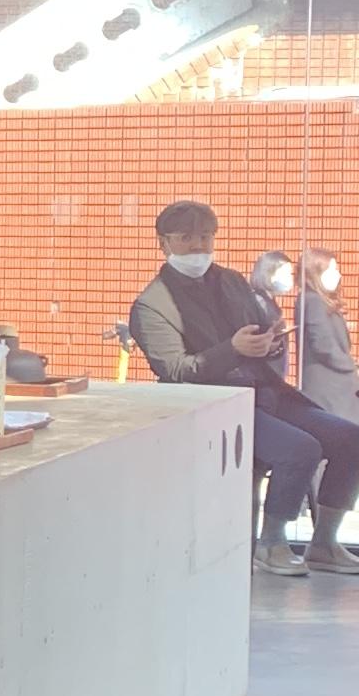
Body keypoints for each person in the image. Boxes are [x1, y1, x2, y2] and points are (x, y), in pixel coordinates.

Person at [128, 199, 359, 578]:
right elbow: (175, 369)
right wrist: (232, 349)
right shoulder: (151, 305)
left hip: (265, 392)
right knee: (300, 449)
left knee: (350, 439)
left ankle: (324, 544)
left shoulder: (232, 281)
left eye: (206, 237)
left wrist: (270, 343)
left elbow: (256, 330)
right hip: (214, 405)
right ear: (163, 242)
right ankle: (271, 544)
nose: (198, 246)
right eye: (186, 238)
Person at [304, 248, 359, 424]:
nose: (338, 275)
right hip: (329, 391)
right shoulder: (312, 300)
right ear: (317, 272)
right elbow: (323, 345)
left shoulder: (322, 300)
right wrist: (352, 367)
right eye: (332, 270)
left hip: (338, 389)